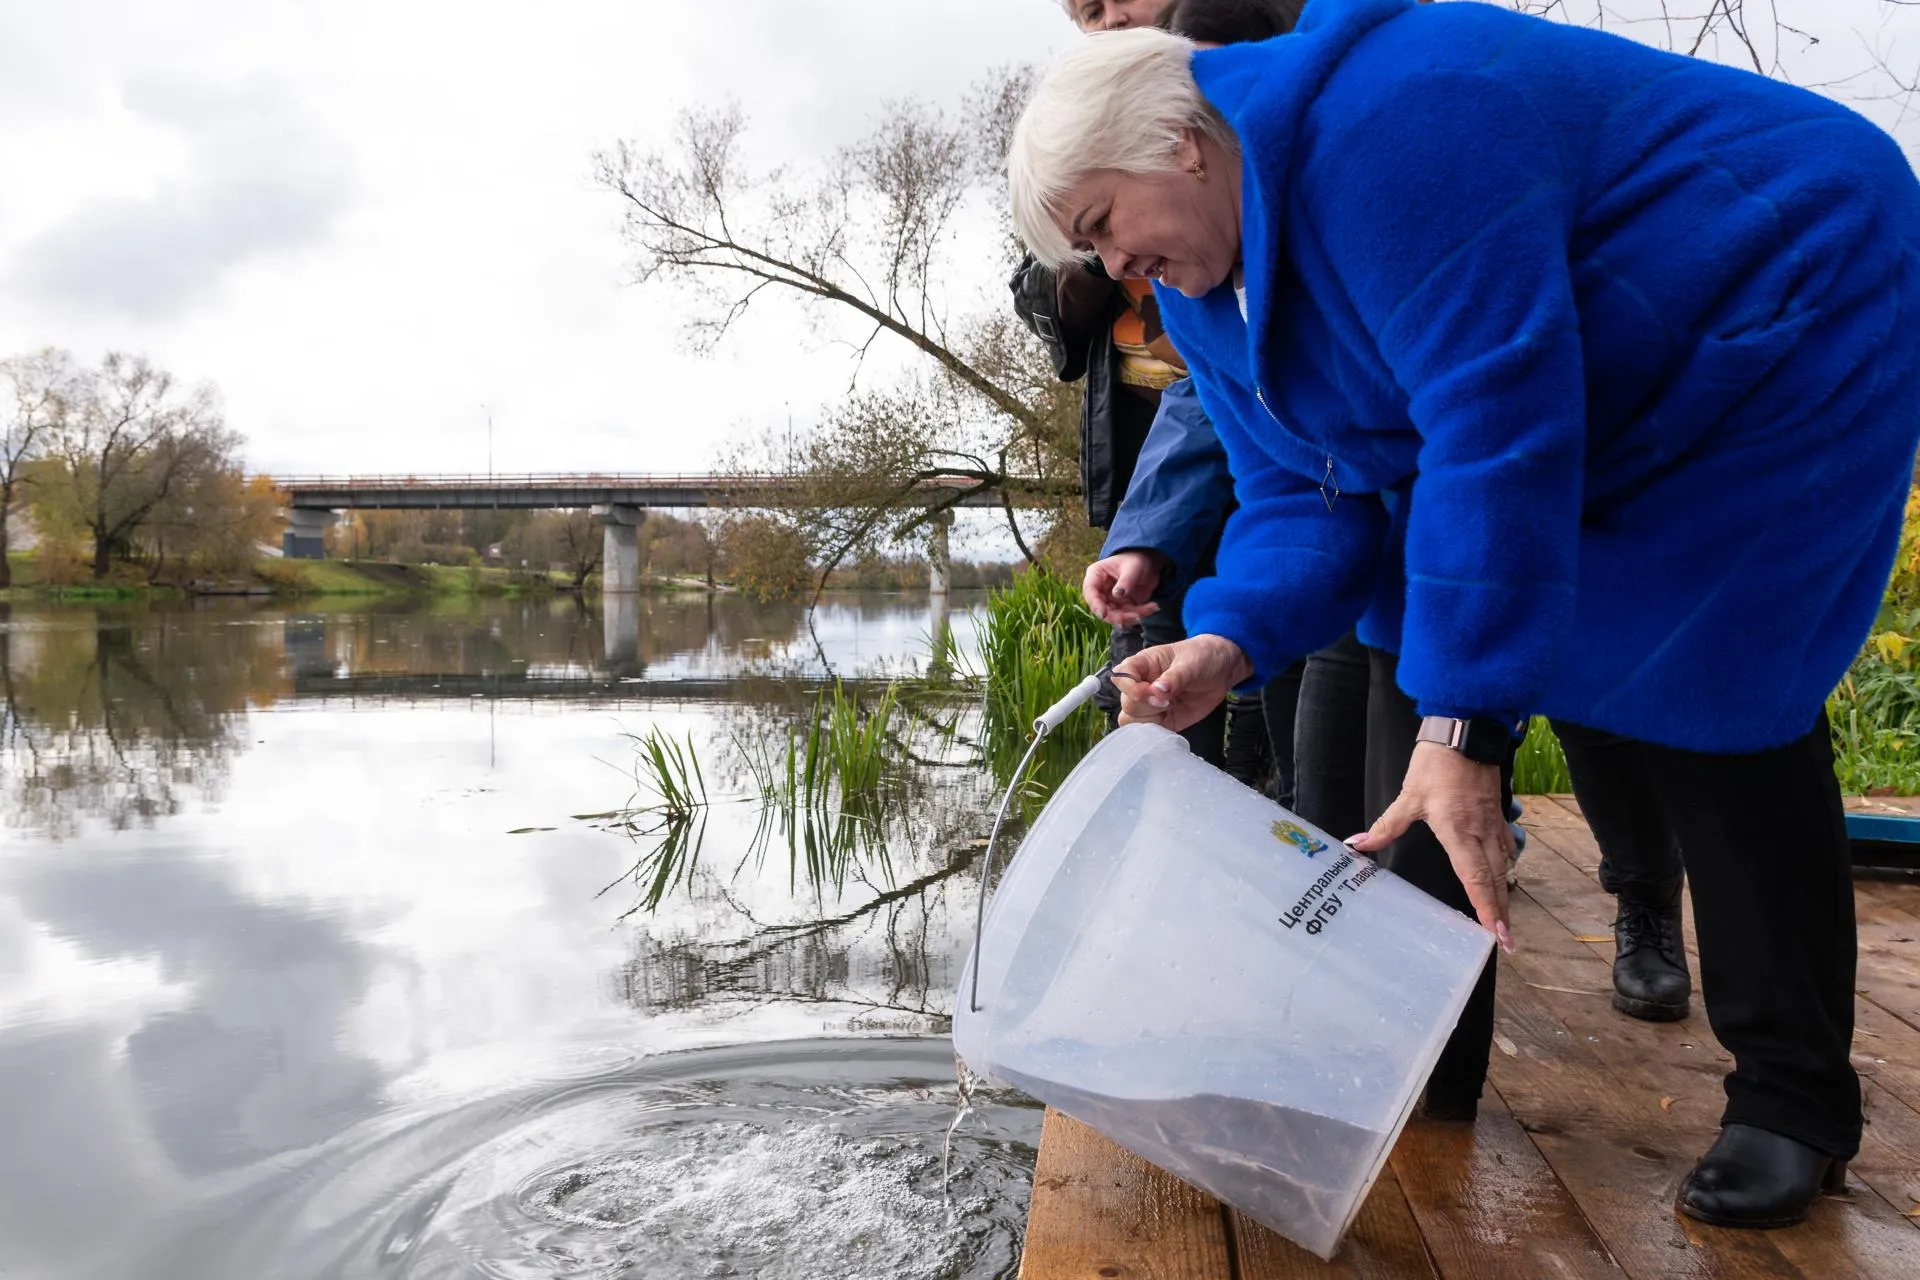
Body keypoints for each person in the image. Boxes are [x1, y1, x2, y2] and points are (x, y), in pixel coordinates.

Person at [1006, 0, 1920, 1230]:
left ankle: (1792, 1098)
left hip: (1778, 293)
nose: (1117, 270)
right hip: (1580, 361)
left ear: (1178, 141)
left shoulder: (1396, 123)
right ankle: (1409, 1052)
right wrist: (1228, 639)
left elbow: (1498, 427)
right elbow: (1309, 493)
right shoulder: (1204, 296)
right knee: (1404, 651)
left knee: (1712, 671)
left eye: (1105, 226)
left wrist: (1470, 726)